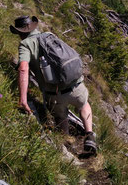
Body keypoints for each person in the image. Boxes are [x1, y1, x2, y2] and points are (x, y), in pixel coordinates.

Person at [10, 15, 97, 154]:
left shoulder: (25, 44)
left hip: (55, 94)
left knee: (60, 117)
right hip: (75, 84)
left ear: (21, 32)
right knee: (84, 104)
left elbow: (23, 68)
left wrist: (23, 99)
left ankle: (67, 145)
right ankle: (90, 134)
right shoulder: (49, 35)